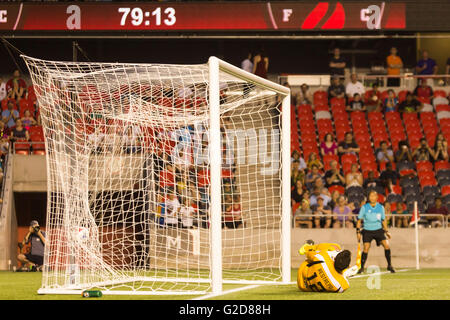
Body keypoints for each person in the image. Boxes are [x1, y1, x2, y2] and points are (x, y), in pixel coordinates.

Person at [356, 190, 395, 273]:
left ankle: (389, 265)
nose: (372, 197)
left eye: (374, 196)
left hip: (378, 230)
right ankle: (361, 267)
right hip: (367, 230)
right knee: (366, 248)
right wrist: (358, 232)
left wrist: (387, 231)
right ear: (368, 197)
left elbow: (383, 220)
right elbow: (359, 220)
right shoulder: (364, 207)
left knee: (386, 245)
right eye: (371, 196)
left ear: (377, 197)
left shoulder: (380, 207)